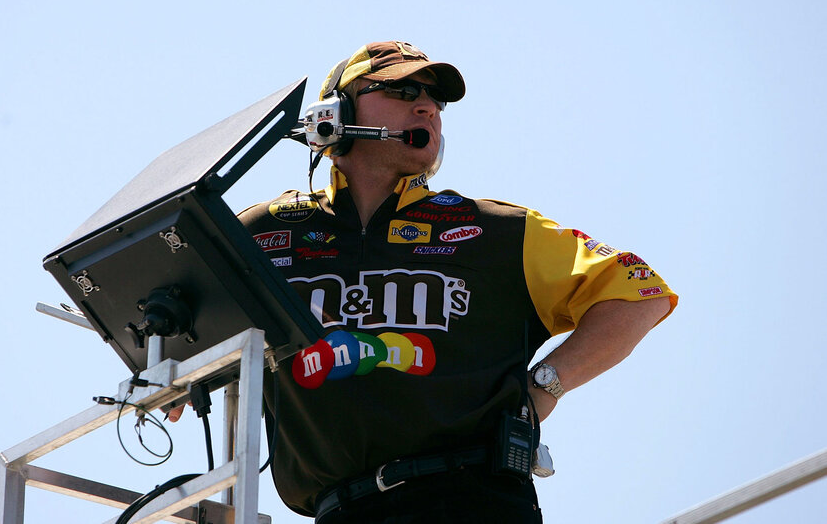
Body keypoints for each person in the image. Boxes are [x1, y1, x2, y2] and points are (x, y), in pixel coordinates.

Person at [177, 41, 678, 523]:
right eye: (401, 92)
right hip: (337, 511)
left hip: (474, 502)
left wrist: (544, 387)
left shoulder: (496, 229)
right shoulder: (262, 231)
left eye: (434, 98)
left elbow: (639, 294)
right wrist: (176, 368)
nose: (426, 108)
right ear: (332, 114)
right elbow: (168, 317)